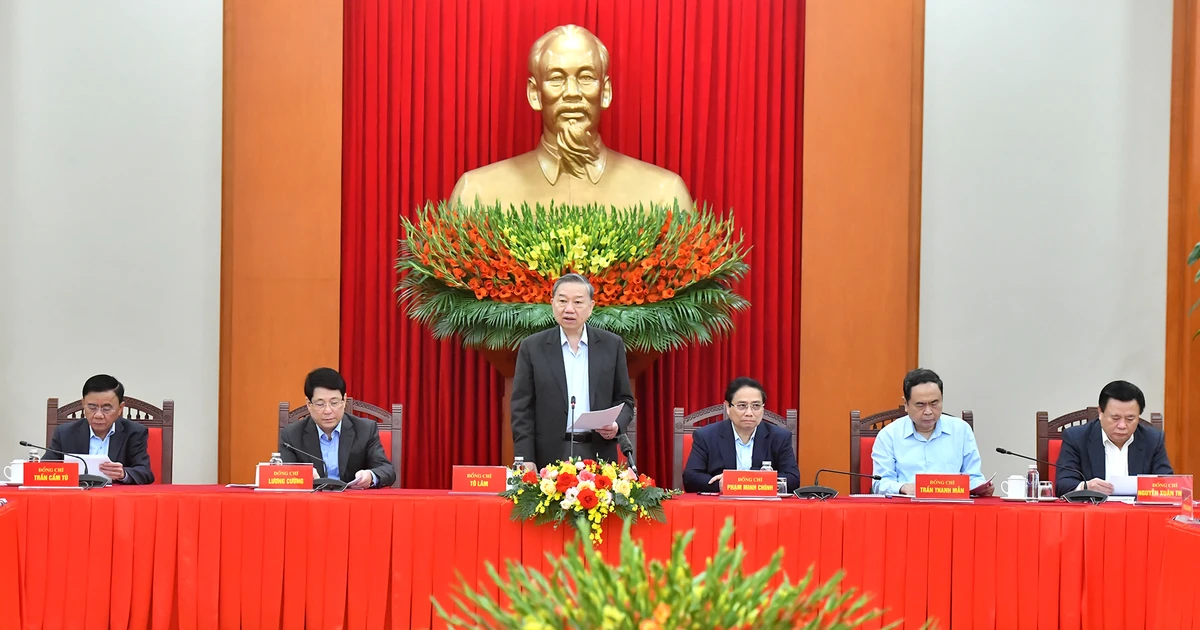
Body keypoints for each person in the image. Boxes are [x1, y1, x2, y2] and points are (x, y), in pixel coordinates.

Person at [450, 24, 693, 211]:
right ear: (535, 94)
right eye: (556, 78)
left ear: (605, 92)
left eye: (586, 77)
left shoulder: (663, 196)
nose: (573, 93)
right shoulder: (477, 195)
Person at [510, 273, 636, 468]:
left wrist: (616, 424)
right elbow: (522, 409)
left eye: (578, 302)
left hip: (598, 453)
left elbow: (625, 400)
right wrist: (525, 458)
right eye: (562, 301)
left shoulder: (611, 345)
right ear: (552, 303)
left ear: (591, 307)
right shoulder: (532, 347)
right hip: (548, 455)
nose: (569, 309)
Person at [871, 368, 992, 496]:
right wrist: (903, 487)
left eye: (934, 403)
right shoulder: (889, 435)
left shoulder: (961, 430)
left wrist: (981, 487)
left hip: (953, 508)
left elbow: (973, 476)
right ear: (906, 404)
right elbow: (879, 483)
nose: (928, 411)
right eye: (920, 405)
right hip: (906, 508)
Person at [278, 368, 396, 488]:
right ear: (309, 404)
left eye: (334, 403)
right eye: (320, 404)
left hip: (353, 502)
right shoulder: (291, 435)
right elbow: (282, 474)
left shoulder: (365, 429)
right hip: (312, 502)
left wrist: (370, 476)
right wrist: (301, 475)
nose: (328, 411)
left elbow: (387, 470)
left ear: (344, 400)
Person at [1054, 380, 1173, 496]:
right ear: (1100, 412)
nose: (1122, 425)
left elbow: (1167, 484)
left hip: (1137, 513)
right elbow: (1063, 484)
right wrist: (1086, 487)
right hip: (1092, 512)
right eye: (1115, 418)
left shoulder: (1153, 440)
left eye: (1130, 419)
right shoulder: (1076, 438)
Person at [682, 377, 800, 494]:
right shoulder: (706, 436)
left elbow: (793, 479)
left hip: (765, 509)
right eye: (742, 406)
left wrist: (750, 482)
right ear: (728, 407)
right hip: (722, 507)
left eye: (756, 406)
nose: (749, 413)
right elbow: (690, 478)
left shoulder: (779, 437)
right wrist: (720, 485)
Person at [46, 374, 154, 484]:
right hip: (76, 498)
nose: (98, 415)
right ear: (83, 404)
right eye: (92, 407)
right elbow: (44, 470)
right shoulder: (65, 433)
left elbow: (145, 472)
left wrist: (123, 474)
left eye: (106, 408)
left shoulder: (134, 432)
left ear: (120, 408)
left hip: (116, 498)